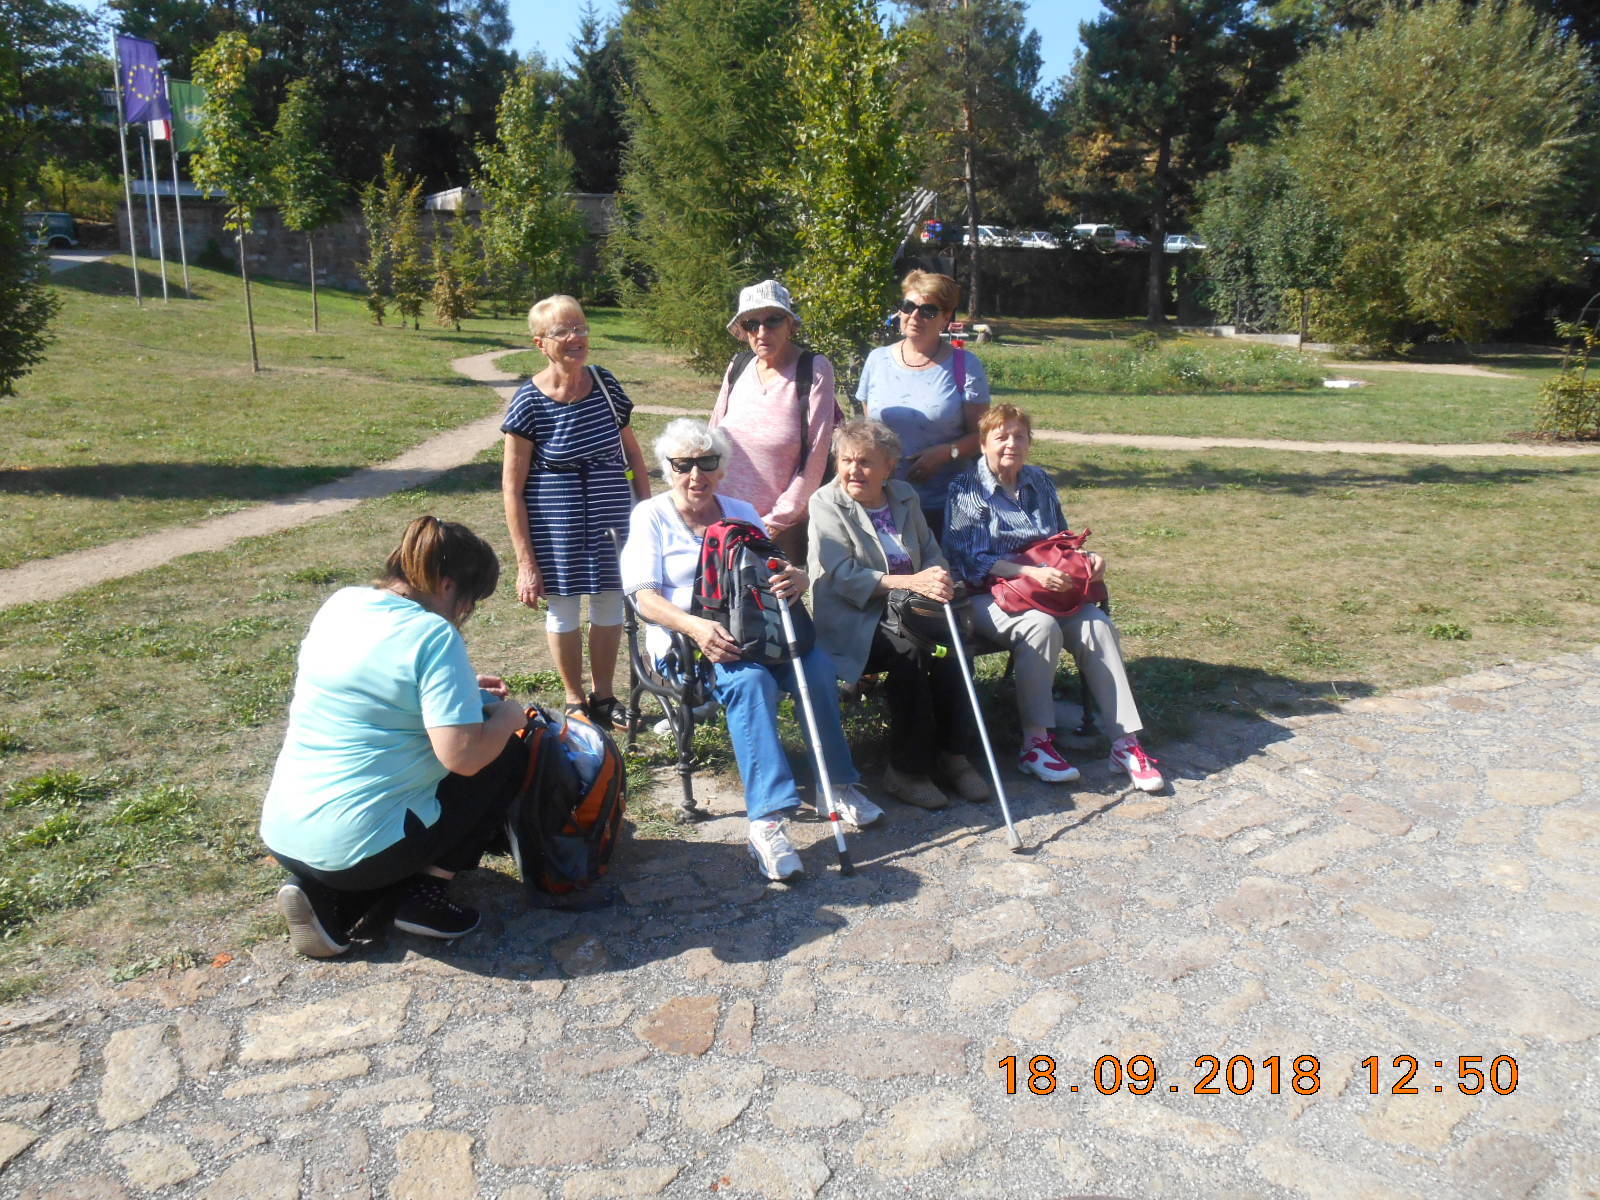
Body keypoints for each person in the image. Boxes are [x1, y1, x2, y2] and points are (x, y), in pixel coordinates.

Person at [619, 418, 883, 880]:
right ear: (668, 468)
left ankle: (835, 785)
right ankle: (767, 820)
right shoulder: (652, 515)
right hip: (687, 644)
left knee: (818, 667)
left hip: (757, 633)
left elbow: (772, 566)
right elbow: (645, 599)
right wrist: (696, 627)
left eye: (707, 463)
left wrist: (796, 577)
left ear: (722, 468)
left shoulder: (740, 511)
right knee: (752, 682)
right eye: (683, 465)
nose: (696, 475)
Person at [261, 516, 530, 958]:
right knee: (505, 754)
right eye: (469, 600)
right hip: (361, 847)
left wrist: (460, 687)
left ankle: (325, 896)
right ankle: (425, 895)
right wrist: (508, 719)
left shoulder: (342, 604)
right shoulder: (433, 634)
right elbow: (464, 757)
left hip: (284, 832)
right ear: (447, 586)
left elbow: (375, 684)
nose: (466, 612)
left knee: (370, 832)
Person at [943, 405, 1163, 792]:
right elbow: (970, 560)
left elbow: (1061, 539)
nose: (1011, 444)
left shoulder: (1039, 480)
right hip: (987, 595)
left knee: (1097, 626)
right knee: (1039, 627)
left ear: (1030, 442)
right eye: (1001, 436)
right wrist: (1028, 572)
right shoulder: (966, 489)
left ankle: (1124, 742)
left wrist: (1087, 558)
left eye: (1019, 436)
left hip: (1046, 590)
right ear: (983, 443)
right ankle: (1035, 744)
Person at [808, 418, 992, 810]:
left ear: (889, 466)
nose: (854, 470)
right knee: (911, 649)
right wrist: (910, 582)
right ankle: (907, 770)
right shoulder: (826, 503)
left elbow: (932, 553)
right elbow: (843, 575)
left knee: (954, 646)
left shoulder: (904, 496)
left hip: (914, 608)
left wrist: (937, 578)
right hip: (855, 617)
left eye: (865, 462)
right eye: (846, 460)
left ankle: (954, 757)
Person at [502, 295, 652, 729]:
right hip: (556, 525)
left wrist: (646, 515)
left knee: (609, 605)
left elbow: (633, 454)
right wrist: (525, 563)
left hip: (612, 520)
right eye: (562, 331)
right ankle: (574, 700)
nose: (576, 337)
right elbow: (512, 488)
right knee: (563, 609)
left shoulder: (606, 384)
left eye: (581, 327)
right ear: (540, 343)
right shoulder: (528, 402)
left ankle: (604, 697)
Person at [709, 279, 839, 564]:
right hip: (723, 521)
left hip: (778, 531)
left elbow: (816, 456)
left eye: (773, 320)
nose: (762, 332)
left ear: (790, 324)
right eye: (751, 324)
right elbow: (711, 439)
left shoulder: (813, 369)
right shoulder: (738, 367)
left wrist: (777, 520)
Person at [856, 269, 990, 539]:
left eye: (928, 310)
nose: (914, 316)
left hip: (946, 508)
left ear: (946, 318)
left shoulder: (965, 366)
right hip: (882, 504)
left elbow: (983, 437)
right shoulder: (877, 360)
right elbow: (869, 432)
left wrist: (946, 453)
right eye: (908, 307)